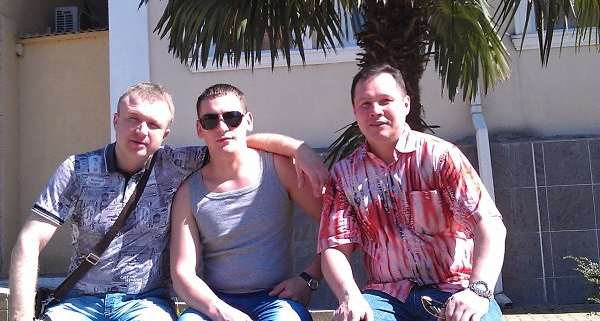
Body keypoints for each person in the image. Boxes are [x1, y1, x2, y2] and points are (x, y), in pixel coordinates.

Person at [9, 82, 328, 321]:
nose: (141, 130)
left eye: (153, 124)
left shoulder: (175, 165)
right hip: (78, 302)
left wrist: (300, 150)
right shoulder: (77, 169)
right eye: (133, 119)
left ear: (166, 134)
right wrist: (20, 317)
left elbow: (234, 143)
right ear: (116, 120)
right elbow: (29, 241)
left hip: (144, 304)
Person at [318, 64, 506, 321]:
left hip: (453, 289)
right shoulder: (344, 175)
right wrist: (349, 296)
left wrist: (477, 292)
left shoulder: (441, 157)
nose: (375, 111)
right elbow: (334, 247)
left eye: (385, 101)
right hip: (385, 296)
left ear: (406, 104)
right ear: (354, 111)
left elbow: (490, 225)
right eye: (365, 104)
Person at [171, 84, 323, 321]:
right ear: (200, 129)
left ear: (248, 120)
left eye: (232, 117)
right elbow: (182, 272)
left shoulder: (278, 168)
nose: (222, 127)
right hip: (216, 301)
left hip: (275, 300)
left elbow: (338, 228)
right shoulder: (188, 192)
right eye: (210, 120)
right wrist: (222, 312)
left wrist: (309, 279)